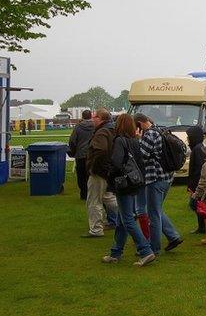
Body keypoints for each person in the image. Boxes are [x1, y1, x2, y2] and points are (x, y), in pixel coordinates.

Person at [102, 114, 156, 266]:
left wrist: (109, 175)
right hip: (135, 183)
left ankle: (146, 250)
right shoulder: (135, 141)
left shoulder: (119, 141)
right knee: (122, 219)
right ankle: (116, 252)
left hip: (124, 184)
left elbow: (117, 163)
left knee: (127, 220)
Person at [136, 114, 183, 254]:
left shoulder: (149, 135)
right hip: (167, 177)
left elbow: (141, 156)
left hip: (154, 178)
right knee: (157, 210)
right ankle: (173, 236)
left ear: (139, 124)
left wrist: (138, 139)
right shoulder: (161, 130)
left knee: (153, 215)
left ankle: (153, 248)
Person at [84, 109, 119, 238]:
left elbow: (101, 150)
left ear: (100, 118)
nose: (92, 119)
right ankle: (129, 214)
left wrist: (93, 166)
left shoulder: (102, 132)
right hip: (109, 170)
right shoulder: (113, 129)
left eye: (94, 117)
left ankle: (96, 229)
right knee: (108, 197)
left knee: (93, 200)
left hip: (99, 171)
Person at [67, 109, 94, 201]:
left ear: (82, 117)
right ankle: (92, 194)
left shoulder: (78, 127)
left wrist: (73, 152)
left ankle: (83, 194)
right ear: (91, 116)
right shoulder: (96, 126)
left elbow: (72, 141)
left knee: (81, 175)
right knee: (91, 175)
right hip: (92, 155)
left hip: (81, 155)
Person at [186, 126, 206, 235]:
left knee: (195, 204)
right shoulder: (199, 148)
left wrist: (193, 185)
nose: (188, 140)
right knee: (196, 205)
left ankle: (203, 226)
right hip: (196, 182)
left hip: (197, 183)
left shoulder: (197, 149)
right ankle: (202, 226)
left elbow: (198, 169)